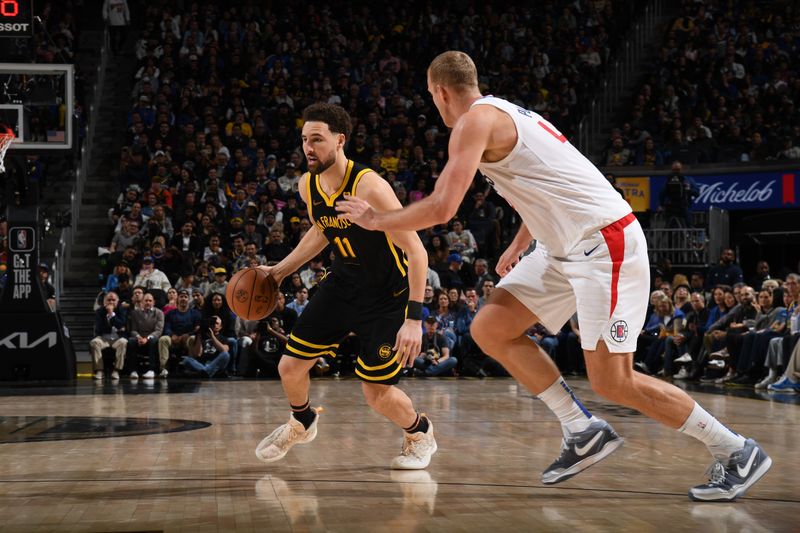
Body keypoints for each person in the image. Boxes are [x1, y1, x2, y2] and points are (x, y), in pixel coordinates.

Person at [336, 51, 770, 501]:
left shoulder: (472, 123)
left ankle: (736, 450)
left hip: (605, 244)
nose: (435, 105)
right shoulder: (506, 113)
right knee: (490, 327)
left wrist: (376, 220)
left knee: (611, 380)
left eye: (432, 97)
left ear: (441, 92)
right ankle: (581, 429)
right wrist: (521, 241)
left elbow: (444, 207)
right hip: (562, 247)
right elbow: (552, 179)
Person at [254, 103, 437, 470]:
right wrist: (278, 271)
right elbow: (322, 230)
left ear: (340, 141)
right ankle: (302, 422)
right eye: (305, 139)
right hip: (343, 285)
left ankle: (420, 433)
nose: (308, 147)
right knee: (290, 366)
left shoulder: (370, 186)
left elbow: (417, 252)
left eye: (317, 139)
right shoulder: (309, 186)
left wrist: (414, 319)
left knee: (376, 393)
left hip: (387, 296)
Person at [89, 291, 128, 381]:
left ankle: (116, 370)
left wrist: (111, 315)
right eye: (108, 300)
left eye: (113, 300)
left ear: (117, 301)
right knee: (94, 342)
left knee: (123, 342)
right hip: (104, 338)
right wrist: (116, 324)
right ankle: (99, 370)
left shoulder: (121, 310)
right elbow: (100, 328)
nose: (111, 302)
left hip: (118, 338)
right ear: (104, 302)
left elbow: (122, 324)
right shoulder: (100, 312)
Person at [126, 292, 163, 378]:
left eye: (150, 301)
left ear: (153, 302)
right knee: (131, 341)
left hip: (152, 338)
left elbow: (158, 331)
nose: (148, 302)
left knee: (153, 340)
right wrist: (139, 337)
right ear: (142, 302)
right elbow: (133, 330)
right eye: (146, 300)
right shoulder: (135, 313)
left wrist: (147, 338)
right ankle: (133, 370)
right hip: (139, 338)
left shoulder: (159, 313)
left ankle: (151, 370)